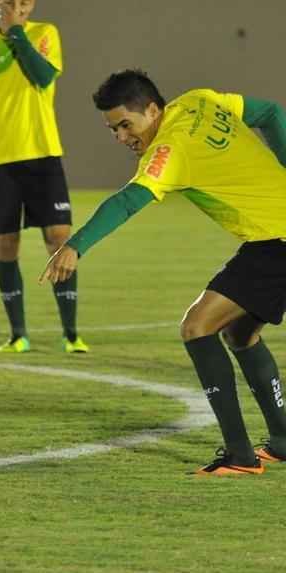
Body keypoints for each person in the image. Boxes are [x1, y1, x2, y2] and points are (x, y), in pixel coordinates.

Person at [41, 70, 286, 476]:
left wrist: (75, 246)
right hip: (274, 236)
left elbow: (128, 200)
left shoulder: (169, 150)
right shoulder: (199, 99)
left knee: (197, 327)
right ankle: (281, 440)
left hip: (276, 240)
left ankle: (240, 456)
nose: (121, 137)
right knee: (240, 333)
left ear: (152, 110)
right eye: (113, 130)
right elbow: (271, 113)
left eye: (125, 125)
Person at [0, 0, 87, 354]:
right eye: (10, 2)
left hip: (44, 154)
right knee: (5, 245)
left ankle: (71, 333)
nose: (17, 7)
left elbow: (42, 76)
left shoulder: (45, 34)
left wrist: (16, 33)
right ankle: (18, 334)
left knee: (59, 239)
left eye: (24, 2)